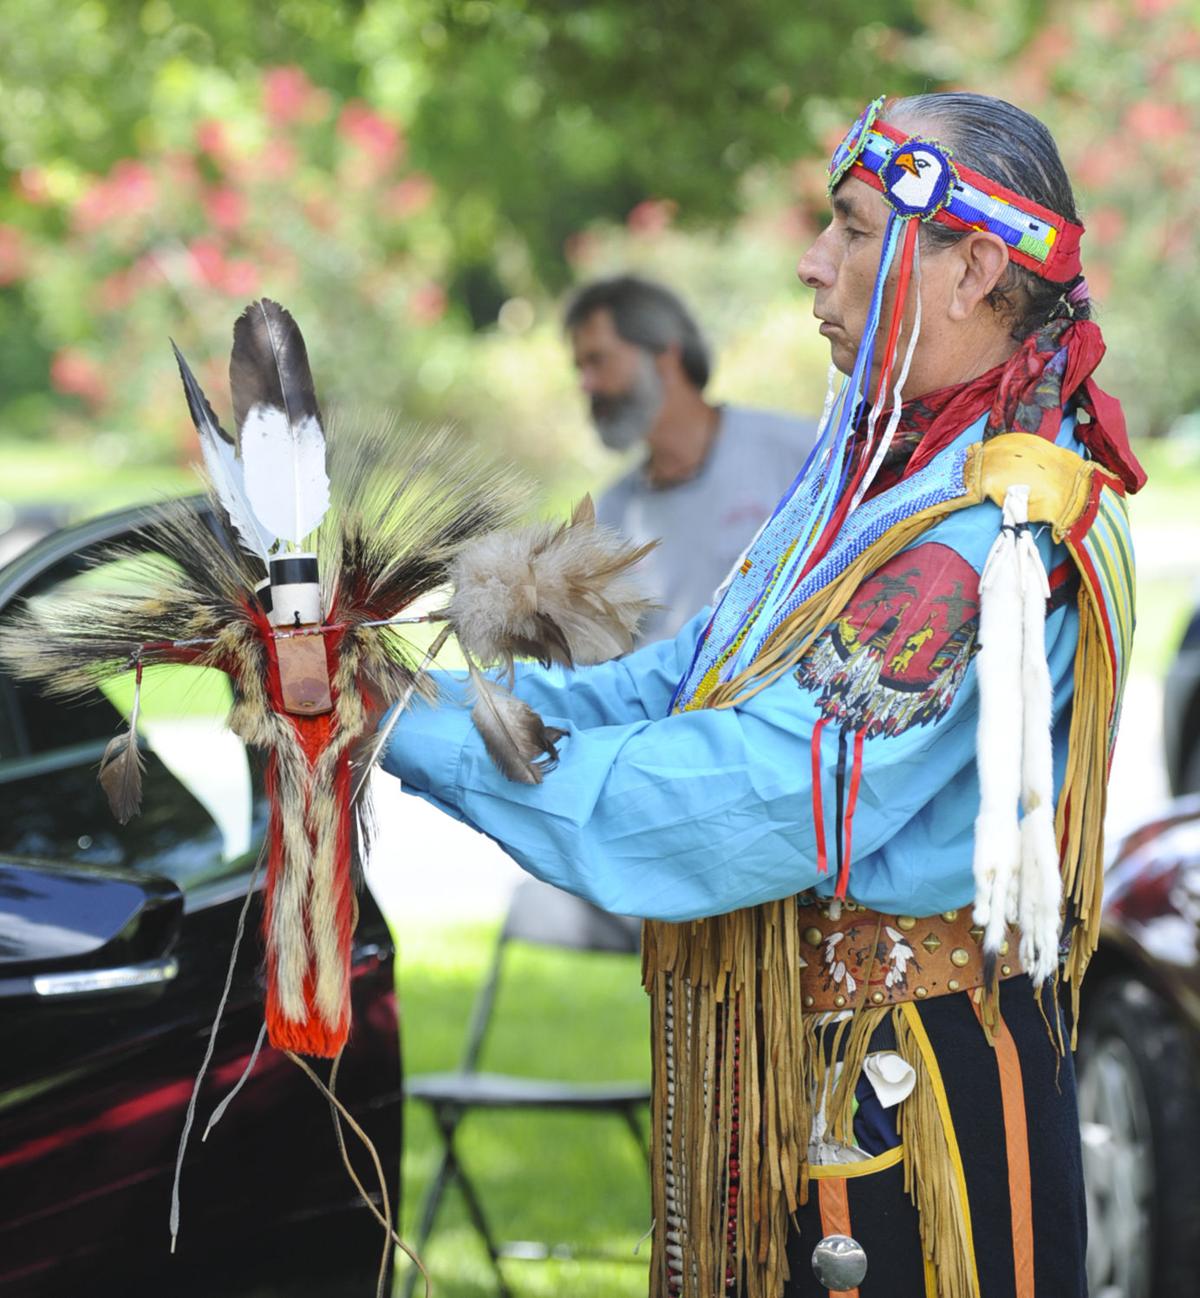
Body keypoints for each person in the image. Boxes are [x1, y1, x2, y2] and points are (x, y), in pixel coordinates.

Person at [384, 93, 1143, 1297]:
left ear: (976, 270)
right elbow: (689, 679)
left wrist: (414, 737)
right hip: (806, 1069)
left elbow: (765, 789)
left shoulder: (990, 532)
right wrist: (420, 692)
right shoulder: (877, 463)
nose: (812, 262)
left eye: (852, 230)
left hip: (915, 1099)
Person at [565, 275, 818, 642]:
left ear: (666, 355)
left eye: (598, 360)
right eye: (579, 368)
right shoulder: (612, 515)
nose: (586, 384)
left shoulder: (802, 454)